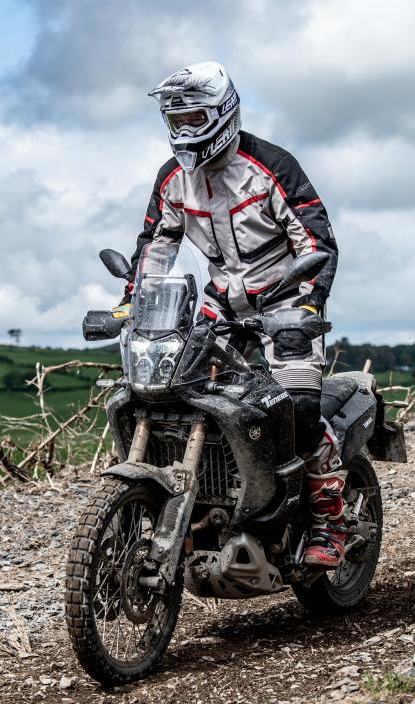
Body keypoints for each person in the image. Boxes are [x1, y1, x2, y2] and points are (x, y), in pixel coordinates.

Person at [123, 61, 348, 569]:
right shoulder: (174, 179)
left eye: (192, 118)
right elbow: (157, 243)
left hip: (286, 298)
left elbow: (315, 240)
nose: (182, 131)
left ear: (223, 113)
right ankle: (207, 503)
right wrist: (132, 300)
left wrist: (310, 300)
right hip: (219, 302)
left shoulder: (272, 165)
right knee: (176, 395)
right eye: (174, 121)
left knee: (300, 411)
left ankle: (328, 519)